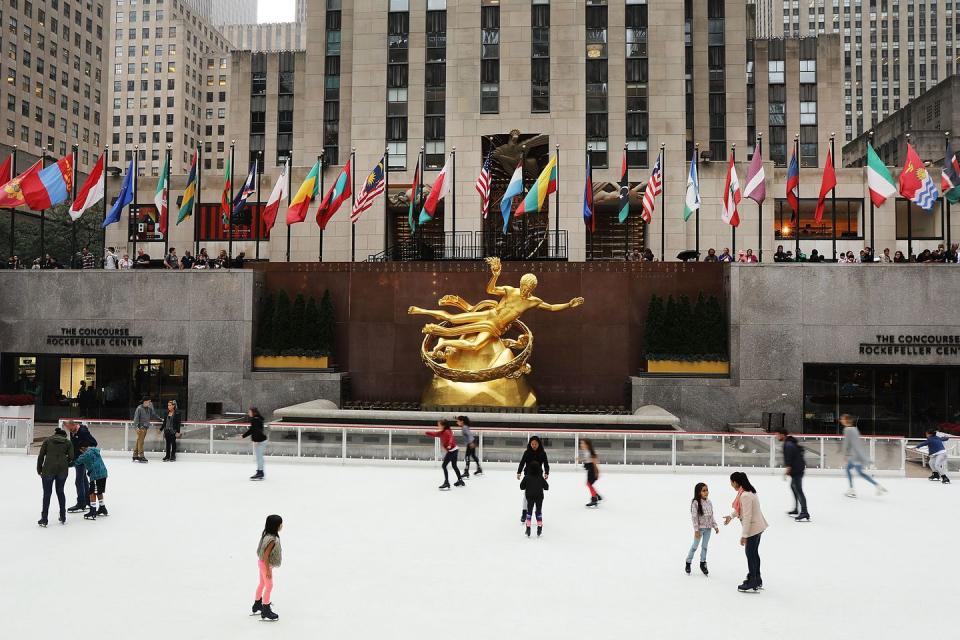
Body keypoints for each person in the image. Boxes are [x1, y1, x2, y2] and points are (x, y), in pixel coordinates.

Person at [723, 472, 768, 592]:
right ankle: (756, 578)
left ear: (735, 482)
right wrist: (730, 516)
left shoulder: (745, 496)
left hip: (753, 529)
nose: (731, 485)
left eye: (731, 482)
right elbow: (741, 510)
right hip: (758, 527)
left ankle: (753, 580)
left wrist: (744, 535)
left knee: (750, 554)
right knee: (754, 554)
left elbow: (747, 516)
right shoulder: (747, 492)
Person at [840, 414, 887, 497]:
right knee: (852, 470)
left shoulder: (847, 430)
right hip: (858, 455)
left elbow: (846, 443)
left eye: (842, 419)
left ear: (846, 420)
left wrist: (844, 454)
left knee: (859, 473)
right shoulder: (855, 429)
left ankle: (853, 490)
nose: (841, 420)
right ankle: (876, 486)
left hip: (855, 456)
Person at [37, 426, 73, 527]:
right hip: (62, 470)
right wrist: (66, 464)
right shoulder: (68, 442)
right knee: (60, 491)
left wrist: (39, 469)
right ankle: (63, 516)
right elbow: (71, 457)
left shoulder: (47, 441)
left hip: (48, 470)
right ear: (63, 435)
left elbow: (41, 456)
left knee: (47, 494)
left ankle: (44, 519)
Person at [517, 435, 550, 534]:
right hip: (528, 475)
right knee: (526, 495)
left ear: (539, 444)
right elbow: (522, 463)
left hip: (538, 475)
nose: (534, 445)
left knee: (537, 493)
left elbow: (546, 464)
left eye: (535, 444)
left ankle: (537, 512)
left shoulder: (542, 453)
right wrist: (519, 472)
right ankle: (524, 512)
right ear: (530, 444)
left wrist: (546, 472)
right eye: (532, 444)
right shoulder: (527, 452)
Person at [775, 428, 810, 521]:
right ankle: (796, 509)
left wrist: (787, 470)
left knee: (798, 490)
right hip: (798, 469)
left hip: (797, 470)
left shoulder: (788, 445)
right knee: (793, 487)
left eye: (777, 435)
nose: (776, 436)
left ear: (783, 435)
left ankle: (805, 512)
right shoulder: (789, 442)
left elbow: (789, 460)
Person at [253, 514, 283, 621]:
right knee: (269, 586)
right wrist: (268, 570)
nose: (282, 525)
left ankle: (257, 604)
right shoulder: (272, 540)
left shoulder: (266, 534)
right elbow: (266, 555)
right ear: (276, 526)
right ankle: (265, 609)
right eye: (280, 524)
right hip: (265, 564)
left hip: (261, 562)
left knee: (262, 584)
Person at [686, 482, 719, 576]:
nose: (706, 492)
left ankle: (703, 563)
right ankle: (688, 562)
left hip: (708, 529)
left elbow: (711, 516)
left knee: (704, 547)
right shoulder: (695, 503)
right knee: (694, 546)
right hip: (700, 529)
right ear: (699, 492)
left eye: (707, 490)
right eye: (703, 490)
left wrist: (715, 526)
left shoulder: (709, 502)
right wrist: (696, 530)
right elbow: (694, 517)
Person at [64, 420, 97, 514]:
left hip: (82, 458)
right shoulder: (73, 431)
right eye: (68, 429)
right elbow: (73, 445)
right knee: (83, 479)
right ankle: (87, 501)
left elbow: (94, 443)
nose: (70, 431)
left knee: (79, 480)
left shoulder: (82, 431)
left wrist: (83, 448)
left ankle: (81, 503)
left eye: (70, 429)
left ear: (74, 425)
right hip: (78, 458)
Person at [426, 420, 464, 489]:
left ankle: (447, 483)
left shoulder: (446, 431)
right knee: (454, 465)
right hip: (455, 450)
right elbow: (434, 434)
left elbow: (451, 438)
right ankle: (460, 480)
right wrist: (426, 432)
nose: (438, 426)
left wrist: (449, 444)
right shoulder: (442, 432)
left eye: (439, 425)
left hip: (452, 451)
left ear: (443, 425)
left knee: (444, 466)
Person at [73, 444, 108, 520]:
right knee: (99, 491)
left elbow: (76, 462)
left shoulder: (85, 455)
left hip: (96, 475)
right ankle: (102, 507)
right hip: (104, 473)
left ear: (82, 449)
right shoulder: (94, 450)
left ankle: (93, 511)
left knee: (92, 493)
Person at [242, 407, 268, 480]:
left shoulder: (255, 420)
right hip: (261, 440)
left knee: (259, 457)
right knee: (259, 457)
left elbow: (256, 430)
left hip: (260, 441)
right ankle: (260, 471)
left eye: (249, 412)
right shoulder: (257, 419)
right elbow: (252, 430)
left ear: (254, 412)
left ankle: (260, 472)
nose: (248, 413)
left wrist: (257, 440)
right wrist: (243, 436)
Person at [132, 397, 160, 463]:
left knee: (139, 441)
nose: (150, 403)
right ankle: (141, 456)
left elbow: (154, 414)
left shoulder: (149, 409)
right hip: (141, 428)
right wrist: (136, 428)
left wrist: (161, 419)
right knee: (141, 442)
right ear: (145, 402)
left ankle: (135, 455)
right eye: (148, 402)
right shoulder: (139, 408)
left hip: (145, 427)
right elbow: (136, 419)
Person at [580, 438, 602, 508]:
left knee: (589, 484)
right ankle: (597, 496)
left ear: (587, 445)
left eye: (582, 443)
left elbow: (594, 463)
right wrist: (580, 459)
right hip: (590, 470)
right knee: (589, 484)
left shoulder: (590, 452)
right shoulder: (586, 451)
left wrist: (597, 472)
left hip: (592, 470)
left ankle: (594, 499)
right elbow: (587, 459)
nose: (581, 445)